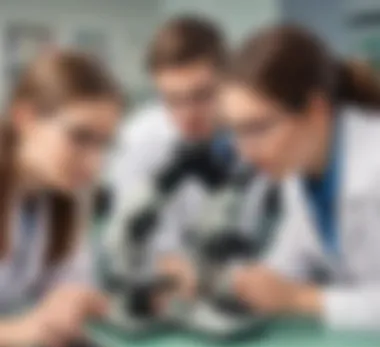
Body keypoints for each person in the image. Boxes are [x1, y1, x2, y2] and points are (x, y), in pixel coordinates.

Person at [220, 25, 380, 330]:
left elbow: (291, 293)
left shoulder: (374, 165)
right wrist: (232, 282)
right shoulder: (300, 172)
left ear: (316, 110)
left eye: (258, 128)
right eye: (236, 131)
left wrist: (300, 299)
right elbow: (286, 265)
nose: (245, 153)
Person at [0, 50, 123, 347]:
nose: (95, 164)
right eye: (79, 137)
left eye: (103, 144)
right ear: (25, 119)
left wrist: (75, 299)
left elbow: (73, 282)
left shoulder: (63, 196)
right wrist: (16, 332)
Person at [108, 16, 229, 298]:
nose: (187, 115)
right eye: (172, 99)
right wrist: (175, 267)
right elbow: (142, 239)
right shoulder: (140, 141)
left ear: (228, 81)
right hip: (176, 291)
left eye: (202, 95)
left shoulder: (252, 135)